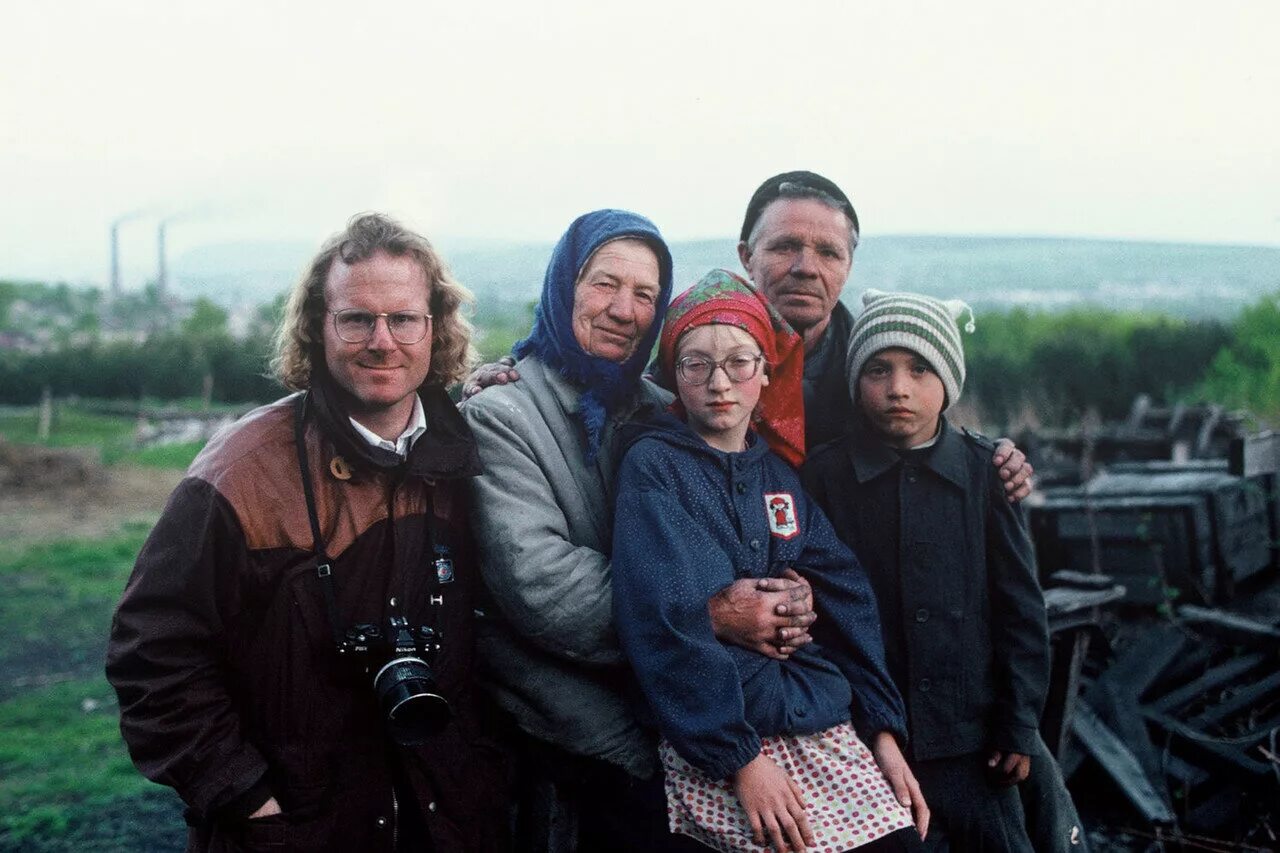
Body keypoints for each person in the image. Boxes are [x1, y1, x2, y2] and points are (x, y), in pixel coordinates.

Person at [105, 213, 509, 852]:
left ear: (437, 330)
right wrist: (243, 795)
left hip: (443, 819)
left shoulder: (468, 456)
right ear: (316, 328)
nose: (383, 340)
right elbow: (152, 653)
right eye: (356, 318)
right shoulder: (241, 471)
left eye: (404, 318)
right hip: (296, 829)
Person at [463, 210, 824, 851]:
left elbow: (748, 523)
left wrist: (788, 594)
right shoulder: (503, 414)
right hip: (571, 693)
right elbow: (538, 580)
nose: (625, 310)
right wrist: (707, 613)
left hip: (683, 680)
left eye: (646, 295)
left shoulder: (667, 406)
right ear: (563, 284)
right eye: (605, 284)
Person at [462, 169, 1034, 503]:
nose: (806, 267)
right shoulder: (679, 364)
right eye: (785, 247)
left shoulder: (876, 370)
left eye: (828, 251)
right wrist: (498, 374)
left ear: (849, 265)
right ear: (746, 256)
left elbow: (930, 440)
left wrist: (993, 459)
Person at [612, 270, 927, 853]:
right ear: (674, 378)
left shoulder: (777, 476)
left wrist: (882, 728)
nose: (719, 382)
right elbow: (663, 617)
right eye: (695, 364)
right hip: (722, 732)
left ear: (765, 372)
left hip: (815, 716)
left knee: (900, 843)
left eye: (739, 361)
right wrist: (740, 760)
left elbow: (846, 594)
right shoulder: (656, 468)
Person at [801, 289, 1077, 851]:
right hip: (870, 742)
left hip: (975, 743)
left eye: (920, 369)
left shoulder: (984, 475)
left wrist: (1018, 725)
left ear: (949, 380)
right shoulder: (823, 478)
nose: (898, 388)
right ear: (856, 381)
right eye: (878, 369)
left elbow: (1021, 610)